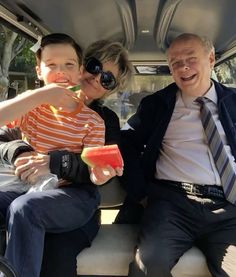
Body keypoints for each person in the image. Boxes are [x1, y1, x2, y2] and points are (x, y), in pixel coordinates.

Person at [0, 35, 132, 277]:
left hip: (74, 196)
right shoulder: (35, 106)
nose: (96, 77)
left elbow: (96, 168)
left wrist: (54, 161)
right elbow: (3, 134)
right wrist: (20, 151)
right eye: (94, 66)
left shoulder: (101, 120)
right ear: (84, 65)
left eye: (107, 79)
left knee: (51, 246)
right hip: (30, 188)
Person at [119, 33, 236, 277]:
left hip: (229, 207)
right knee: (148, 264)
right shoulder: (156, 105)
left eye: (191, 59)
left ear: (211, 59)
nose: (183, 67)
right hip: (172, 205)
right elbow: (125, 144)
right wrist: (140, 191)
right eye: (174, 62)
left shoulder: (233, 102)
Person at [0, 33, 105, 193]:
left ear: (80, 71)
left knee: (24, 208)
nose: (61, 71)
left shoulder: (93, 121)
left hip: (65, 190)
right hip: (24, 180)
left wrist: (100, 174)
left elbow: (93, 166)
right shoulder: (31, 103)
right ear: (39, 71)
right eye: (51, 65)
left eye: (69, 64)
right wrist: (40, 96)